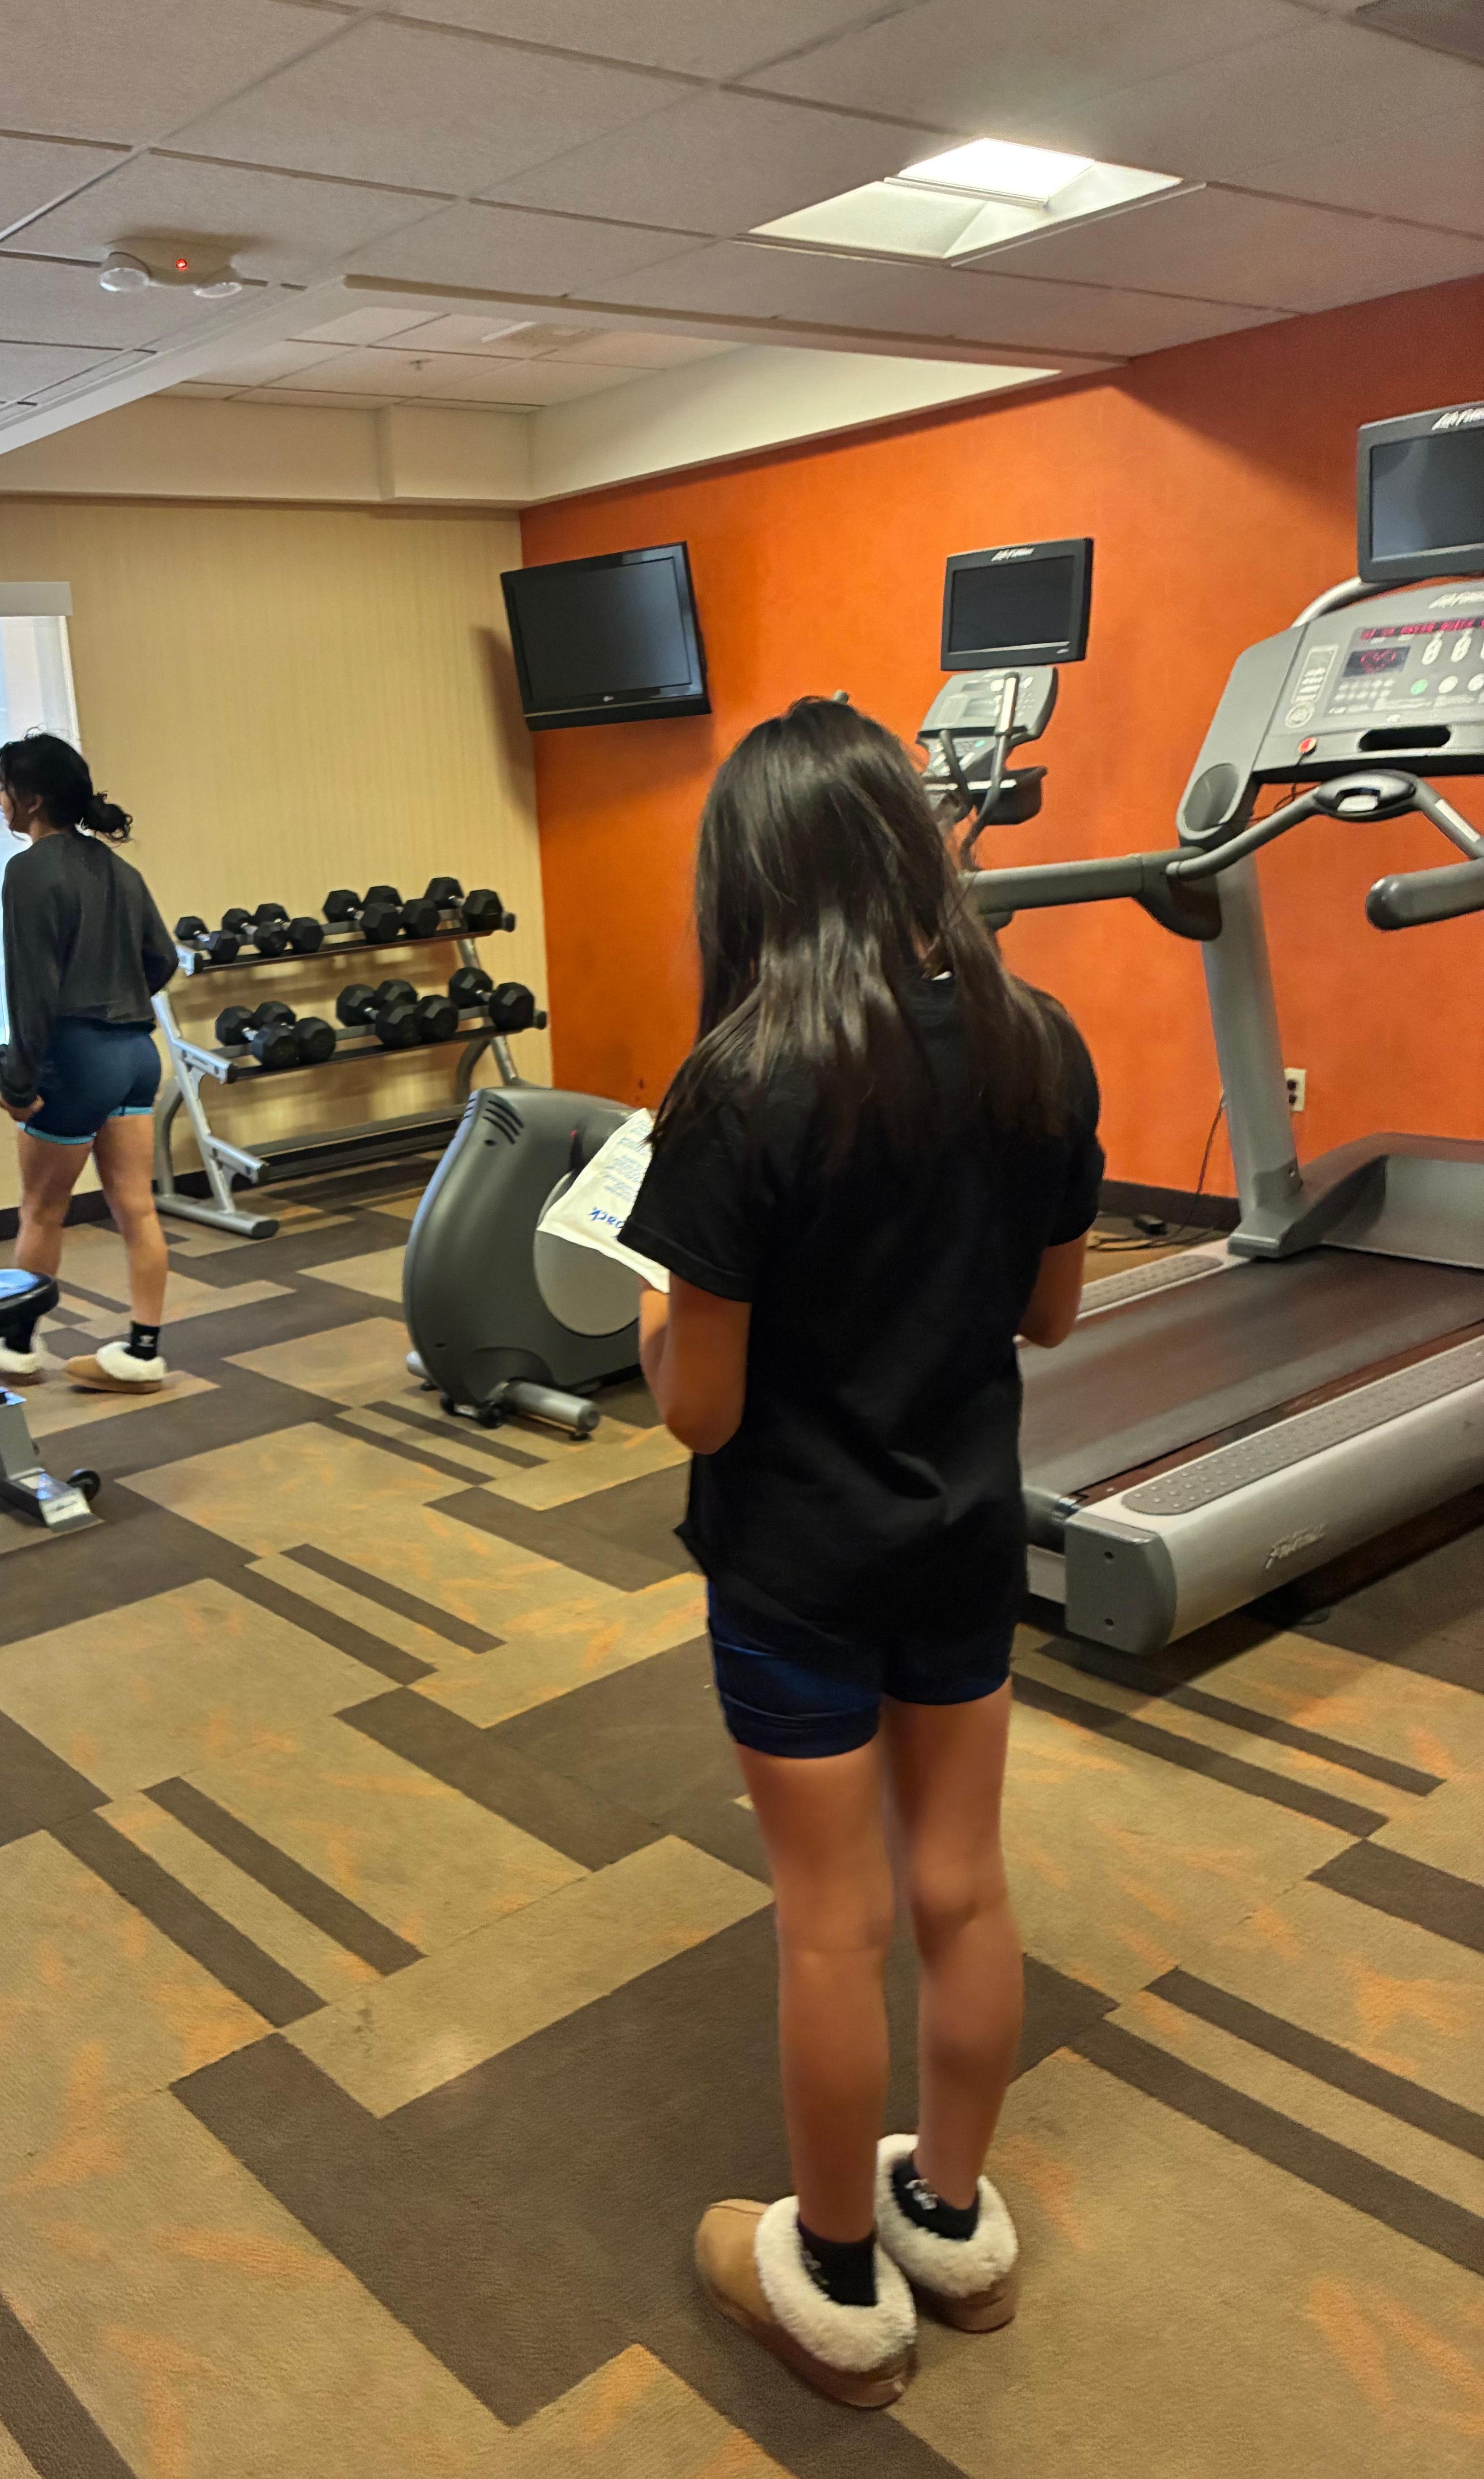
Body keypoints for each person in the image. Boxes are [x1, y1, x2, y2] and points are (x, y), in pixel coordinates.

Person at [618, 697, 1100, 2412]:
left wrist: (652, 1308)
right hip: (963, 1543)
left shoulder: (735, 1084)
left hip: (795, 1566)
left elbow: (698, 1410)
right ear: (909, 844)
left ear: (747, 878)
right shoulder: (1039, 1043)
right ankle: (950, 2222)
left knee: (831, 1924)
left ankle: (830, 2279)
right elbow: (1048, 1314)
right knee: (961, 1887)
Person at [0, 731, 179, 1392]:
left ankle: (17, 1345)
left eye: (5, 788)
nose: (0, 801)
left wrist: (19, 1083)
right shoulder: (121, 871)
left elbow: (31, 991)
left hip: (76, 1058)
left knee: (42, 1209)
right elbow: (163, 961)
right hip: (137, 1055)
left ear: (33, 799)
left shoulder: (29, 871)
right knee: (137, 1208)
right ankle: (143, 1353)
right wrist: (118, 995)